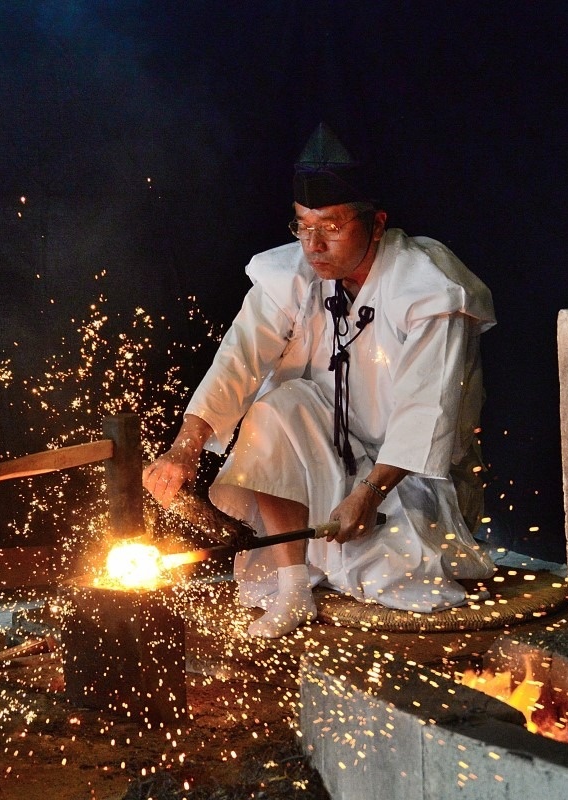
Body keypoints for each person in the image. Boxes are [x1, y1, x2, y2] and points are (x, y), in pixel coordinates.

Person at [144, 123, 496, 638]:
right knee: (273, 405)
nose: (313, 243)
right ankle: (292, 591)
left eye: (330, 226)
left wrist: (369, 494)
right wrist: (185, 446)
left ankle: (373, 545)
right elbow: (238, 359)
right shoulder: (290, 274)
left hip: (409, 476)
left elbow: (428, 410)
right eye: (302, 225)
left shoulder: (429, 287)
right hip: (326, 458)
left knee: (399, 578)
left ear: (376, 225)